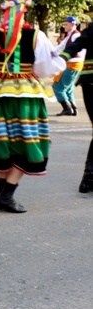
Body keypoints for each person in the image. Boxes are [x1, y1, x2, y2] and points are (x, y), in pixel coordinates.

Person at [0, 0, 66, 212]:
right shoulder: (36, 35)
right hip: (25, 96)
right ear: (26, 13)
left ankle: (1, 194)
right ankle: (6, 195)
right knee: (27, 141)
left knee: (3, 141)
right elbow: (44, 68)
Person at [57, 20, 93, 193]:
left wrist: (64, 55)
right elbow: (78, 44)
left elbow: (78, 44)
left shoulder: (91, 28)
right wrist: (63, 56)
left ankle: (88, 179)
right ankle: (88, 178)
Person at [52, 16, 84, 116]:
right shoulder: (69, 35)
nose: (64, 26)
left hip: (73, 64)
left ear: (73, 24)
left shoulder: (76, 36)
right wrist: (47, 54)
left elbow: (81, 51)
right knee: (68, 88)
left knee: (58, 87)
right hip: (71, 64)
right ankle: (74, 109)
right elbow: (58, 48)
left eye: (66, 24)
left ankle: (67, 108)